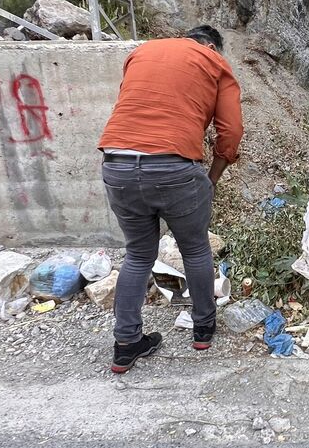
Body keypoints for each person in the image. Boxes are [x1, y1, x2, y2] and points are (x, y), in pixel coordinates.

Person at [99, 25, 242, 373]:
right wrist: (211, 178)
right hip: (174, 166)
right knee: (194, 249)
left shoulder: (141, 52)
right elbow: (231, 131)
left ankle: (126, 343)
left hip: (116, 164)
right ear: (210, 46)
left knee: (138, 254)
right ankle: (203, 329)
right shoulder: (214, 61)